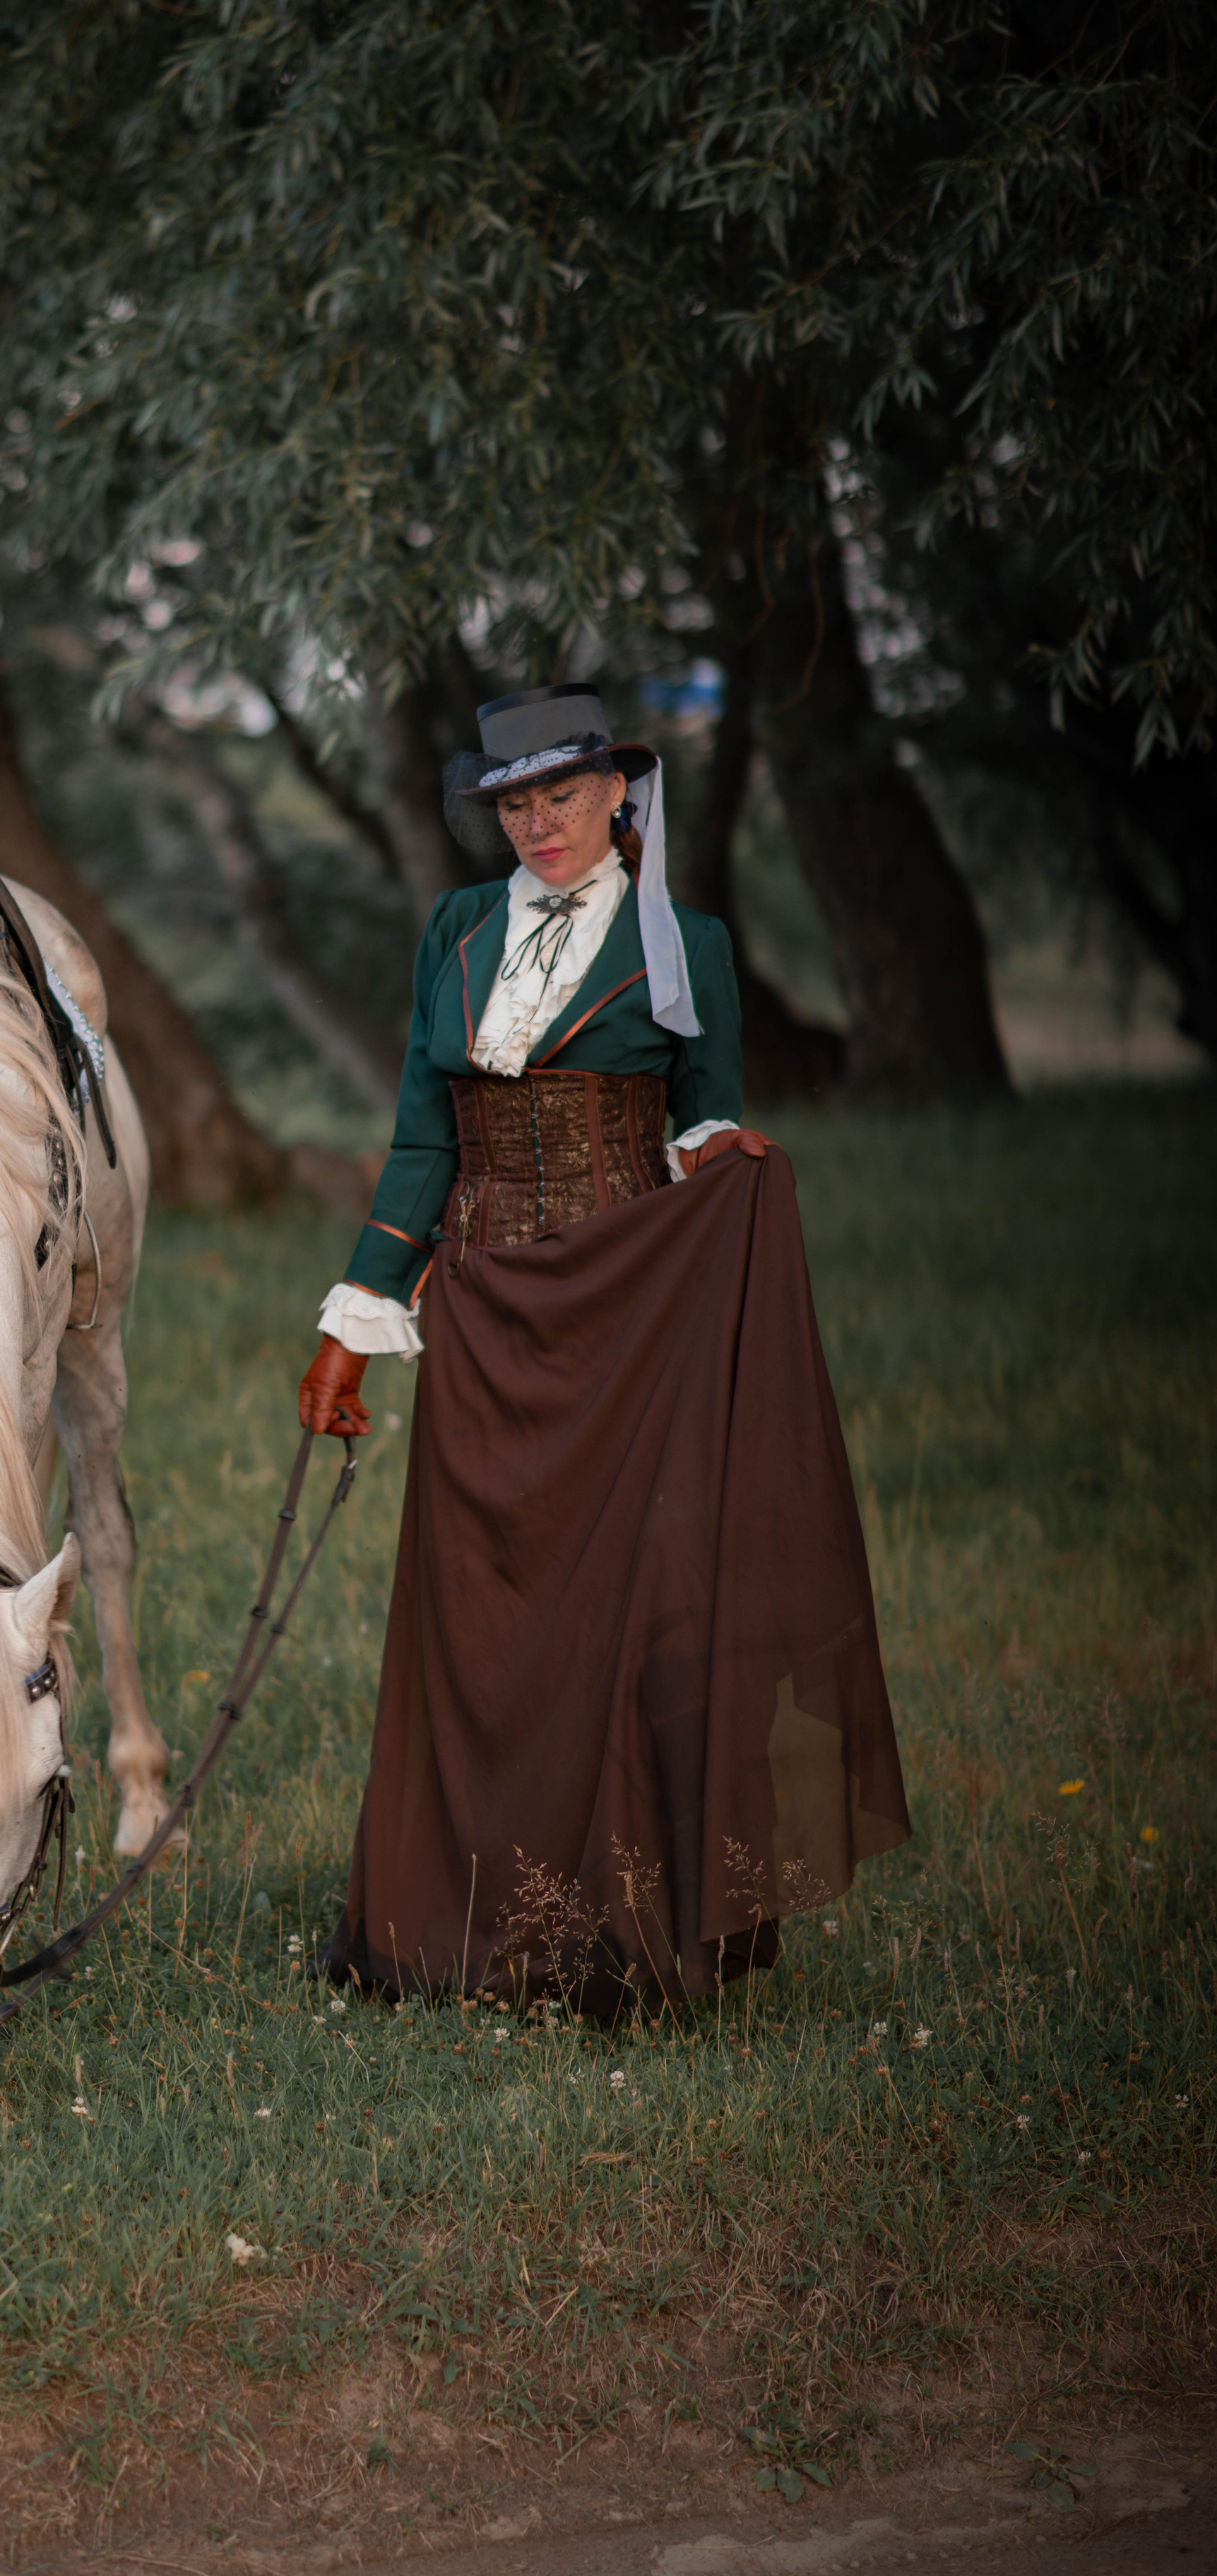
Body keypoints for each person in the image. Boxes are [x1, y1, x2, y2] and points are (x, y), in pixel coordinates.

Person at [299, 683, 908, 2016]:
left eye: (560, 798)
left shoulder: (682, 941)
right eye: (514, 803)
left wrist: (724, 1161)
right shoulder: (458, 931)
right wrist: (355, 1322)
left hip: (629, 1328)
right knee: (481, 1619)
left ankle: (618, 1939)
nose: (537, 824)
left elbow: (702, 1126)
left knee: (631, 1619)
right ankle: (449, 1930)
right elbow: (423, 1138)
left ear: (621, 793)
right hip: (480, 1312)